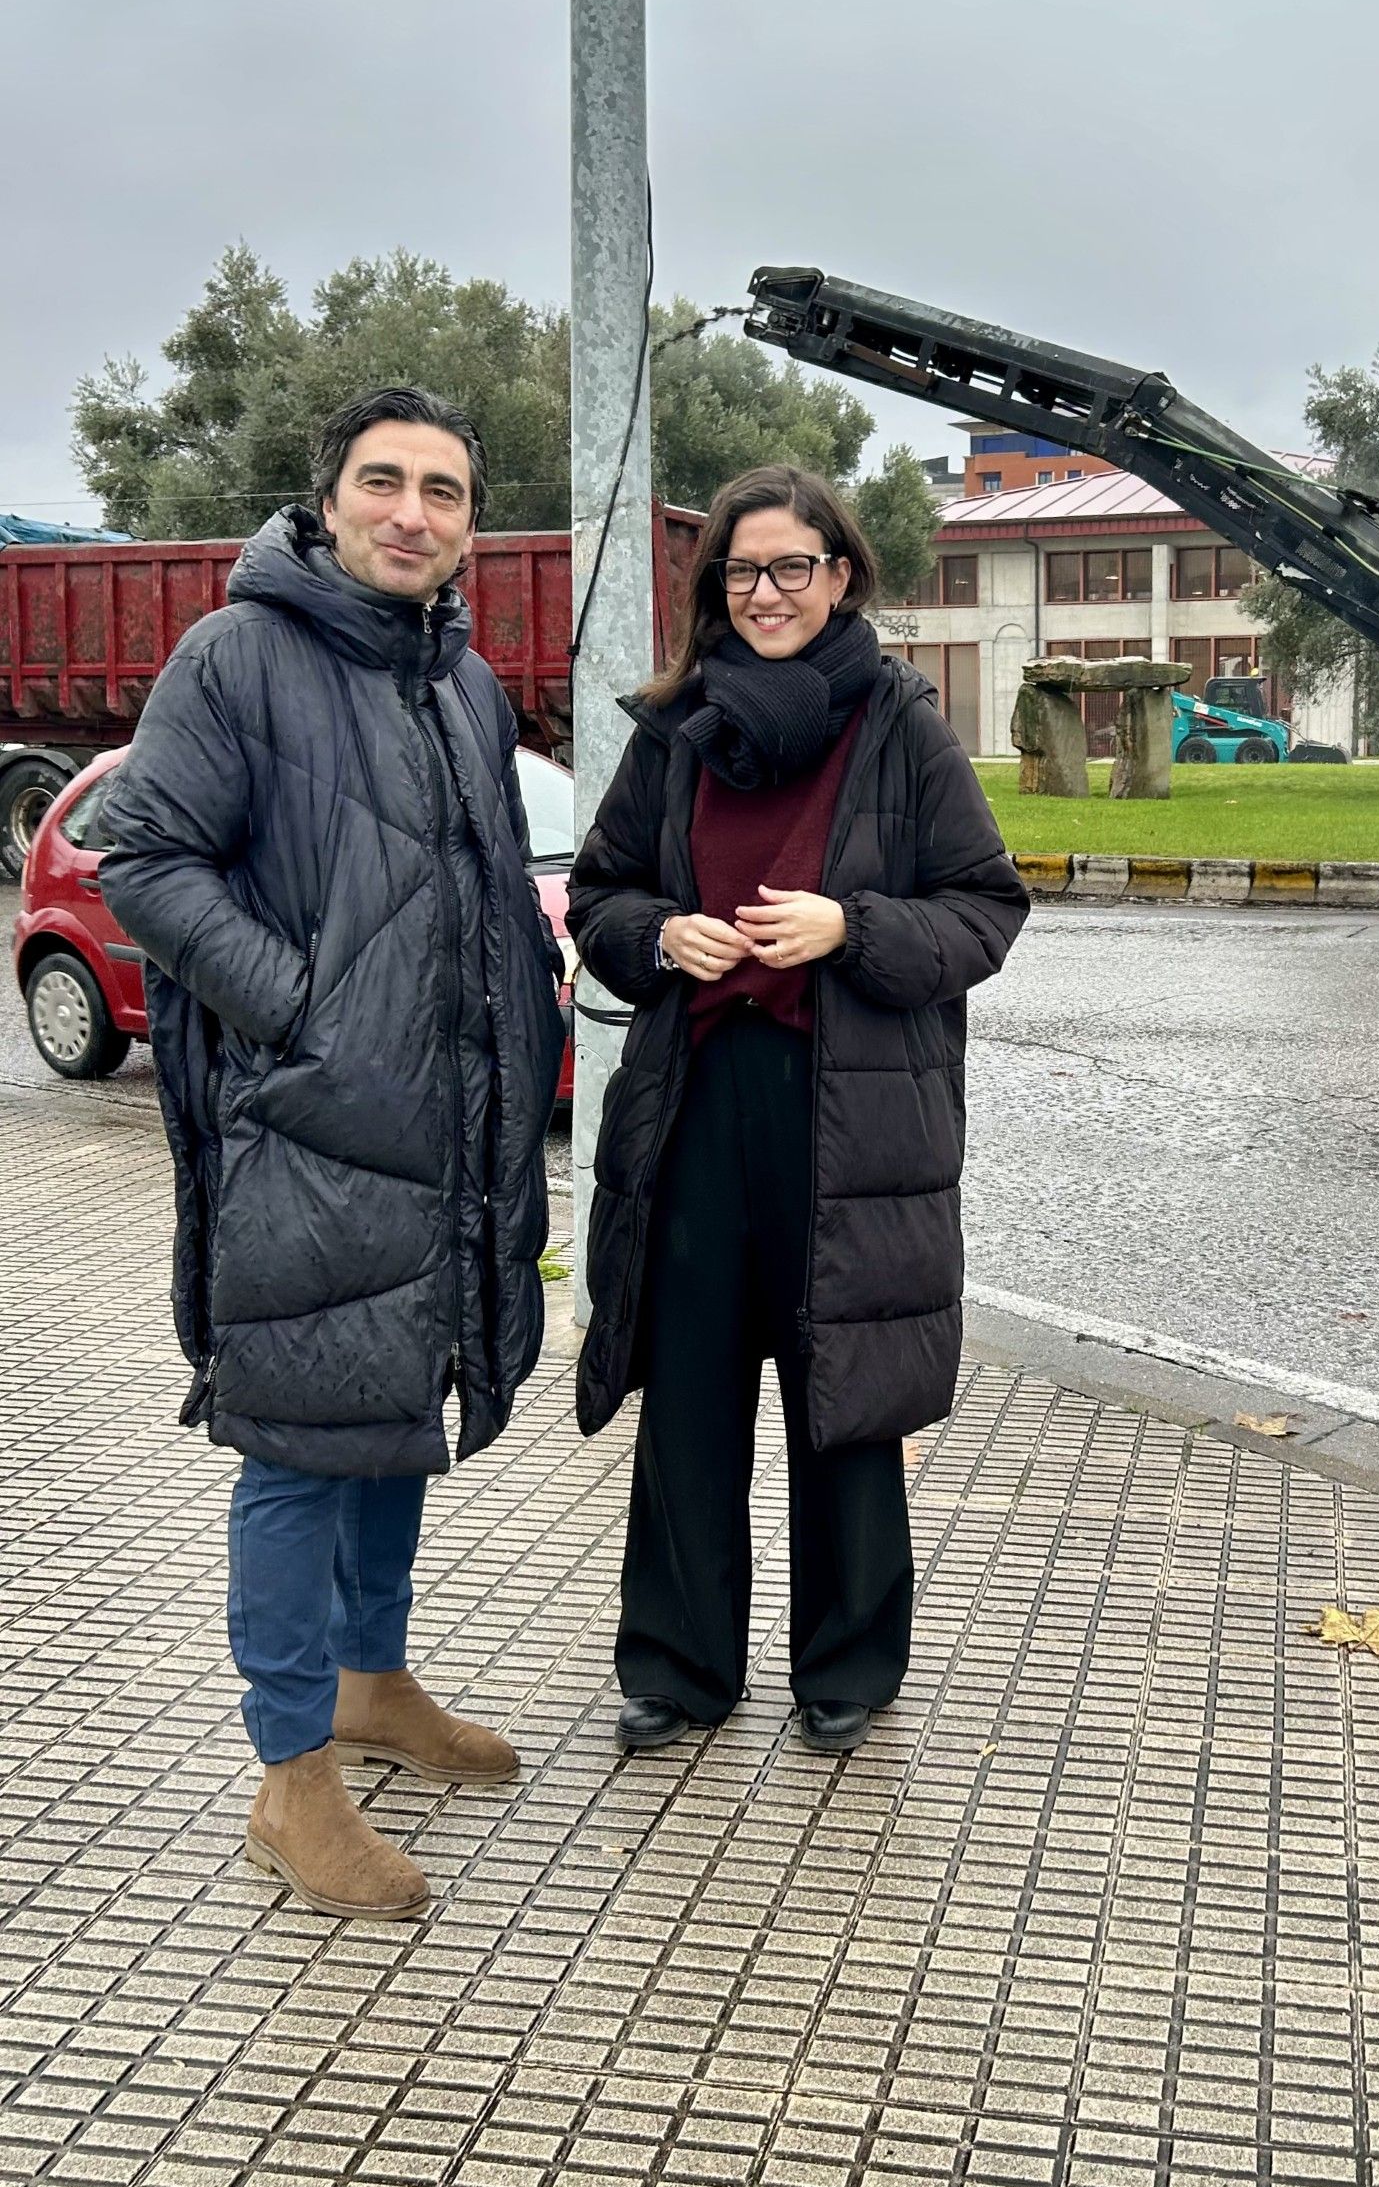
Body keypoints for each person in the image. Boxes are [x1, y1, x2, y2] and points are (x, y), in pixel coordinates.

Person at [100, 386, 565, 1920]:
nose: (414, 512)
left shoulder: (464, 686)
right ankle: (291, 1778)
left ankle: (374, 1681)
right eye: (386, 482)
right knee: (299, 1440)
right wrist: (303, 1012)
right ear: (331, 499)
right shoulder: (238, 656)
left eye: (443, 489)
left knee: (394, 1408)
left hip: (444, 1132)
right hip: (306, 1129)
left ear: (465, 524)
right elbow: (146, 860)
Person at [569, 465, 1027, 1755]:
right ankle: (677, 1665)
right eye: (742, 572)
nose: (767, 594)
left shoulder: (900, 725)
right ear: (716, 589)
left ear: (841, 577)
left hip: (853, 1116)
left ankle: (848, 1664)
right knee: (693, 1391)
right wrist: (662, 937)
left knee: (847, 1392)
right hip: (697, 1105)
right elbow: (600, 896)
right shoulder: (673, 733)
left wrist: (853, 925)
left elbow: (987, 909)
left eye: (793, 568)